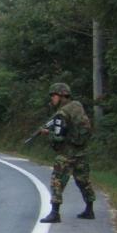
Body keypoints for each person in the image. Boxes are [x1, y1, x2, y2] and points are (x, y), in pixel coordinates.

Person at [39, 82, 96, 223]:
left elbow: (59, 138)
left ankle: (55, 213)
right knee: (84, 181)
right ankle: (89, 210)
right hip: (81, 151)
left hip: (67, 154)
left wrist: (48, 134)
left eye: (53, 95)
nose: (52, 98)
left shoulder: (61, 113)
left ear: (61, 95)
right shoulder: (77, 106)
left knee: (57, 181)